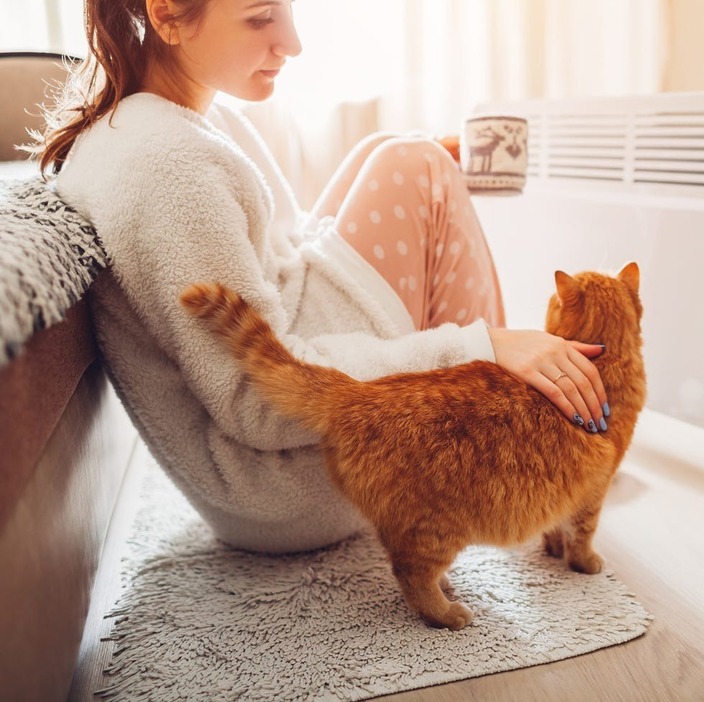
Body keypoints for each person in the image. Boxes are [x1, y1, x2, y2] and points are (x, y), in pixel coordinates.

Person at [40, 0, 609, 553]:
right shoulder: (166, 167)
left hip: (290, 434)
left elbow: (275, 256)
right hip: (287, 482)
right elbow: (257, 406)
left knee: (395, 152)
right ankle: (510, 451)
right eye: (262, 16)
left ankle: (508, 426)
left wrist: (414, 177)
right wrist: (479, 345)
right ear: (164, 13)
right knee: (417, 167)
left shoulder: (176, 121)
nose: (292, 42)